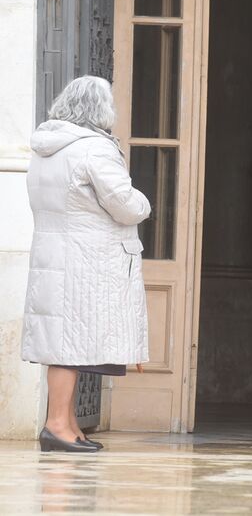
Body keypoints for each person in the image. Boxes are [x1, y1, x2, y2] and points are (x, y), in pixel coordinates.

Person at [21, 75, 151, 452]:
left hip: (55, 255)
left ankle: (69, 423)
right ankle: (58, 425)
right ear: (101, 109)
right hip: (87, 261)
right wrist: (144, 202)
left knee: (65, 342)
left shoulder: (47, 147)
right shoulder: (94, 150)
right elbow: (125, 205)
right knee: (68, 346)